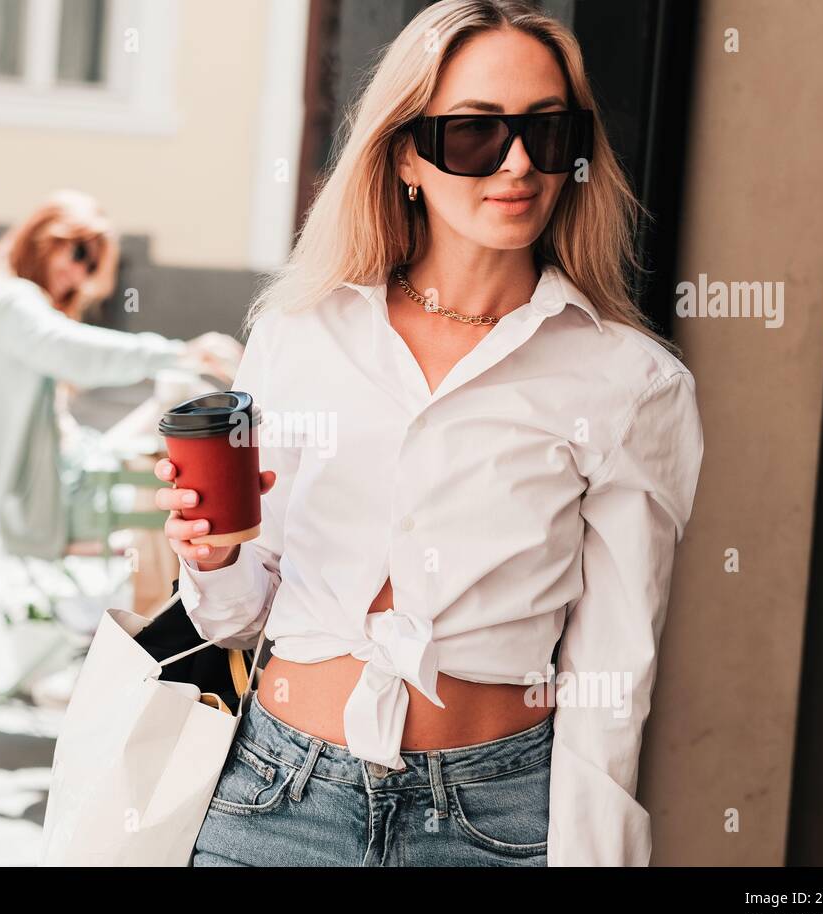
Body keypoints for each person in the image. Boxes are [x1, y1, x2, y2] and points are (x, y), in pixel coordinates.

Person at [155, 0, 703, 866]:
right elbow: (238, 620)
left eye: (548, 132)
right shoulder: (303, 332)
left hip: (493, 821)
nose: (519, 163)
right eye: (476, 133)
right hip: (272, 804)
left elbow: (615, 675)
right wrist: (215, 557)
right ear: (407, 152)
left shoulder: (631, 384)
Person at [0, 189, 239, 560]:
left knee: (177, 400)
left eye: (90, 268)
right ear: (44, 236)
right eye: (79, 253)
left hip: (52, 489)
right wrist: (178, 353)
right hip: (61, 505)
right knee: (191, 445)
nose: (78, 274)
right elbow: (77, 352)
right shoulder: (13, 303)